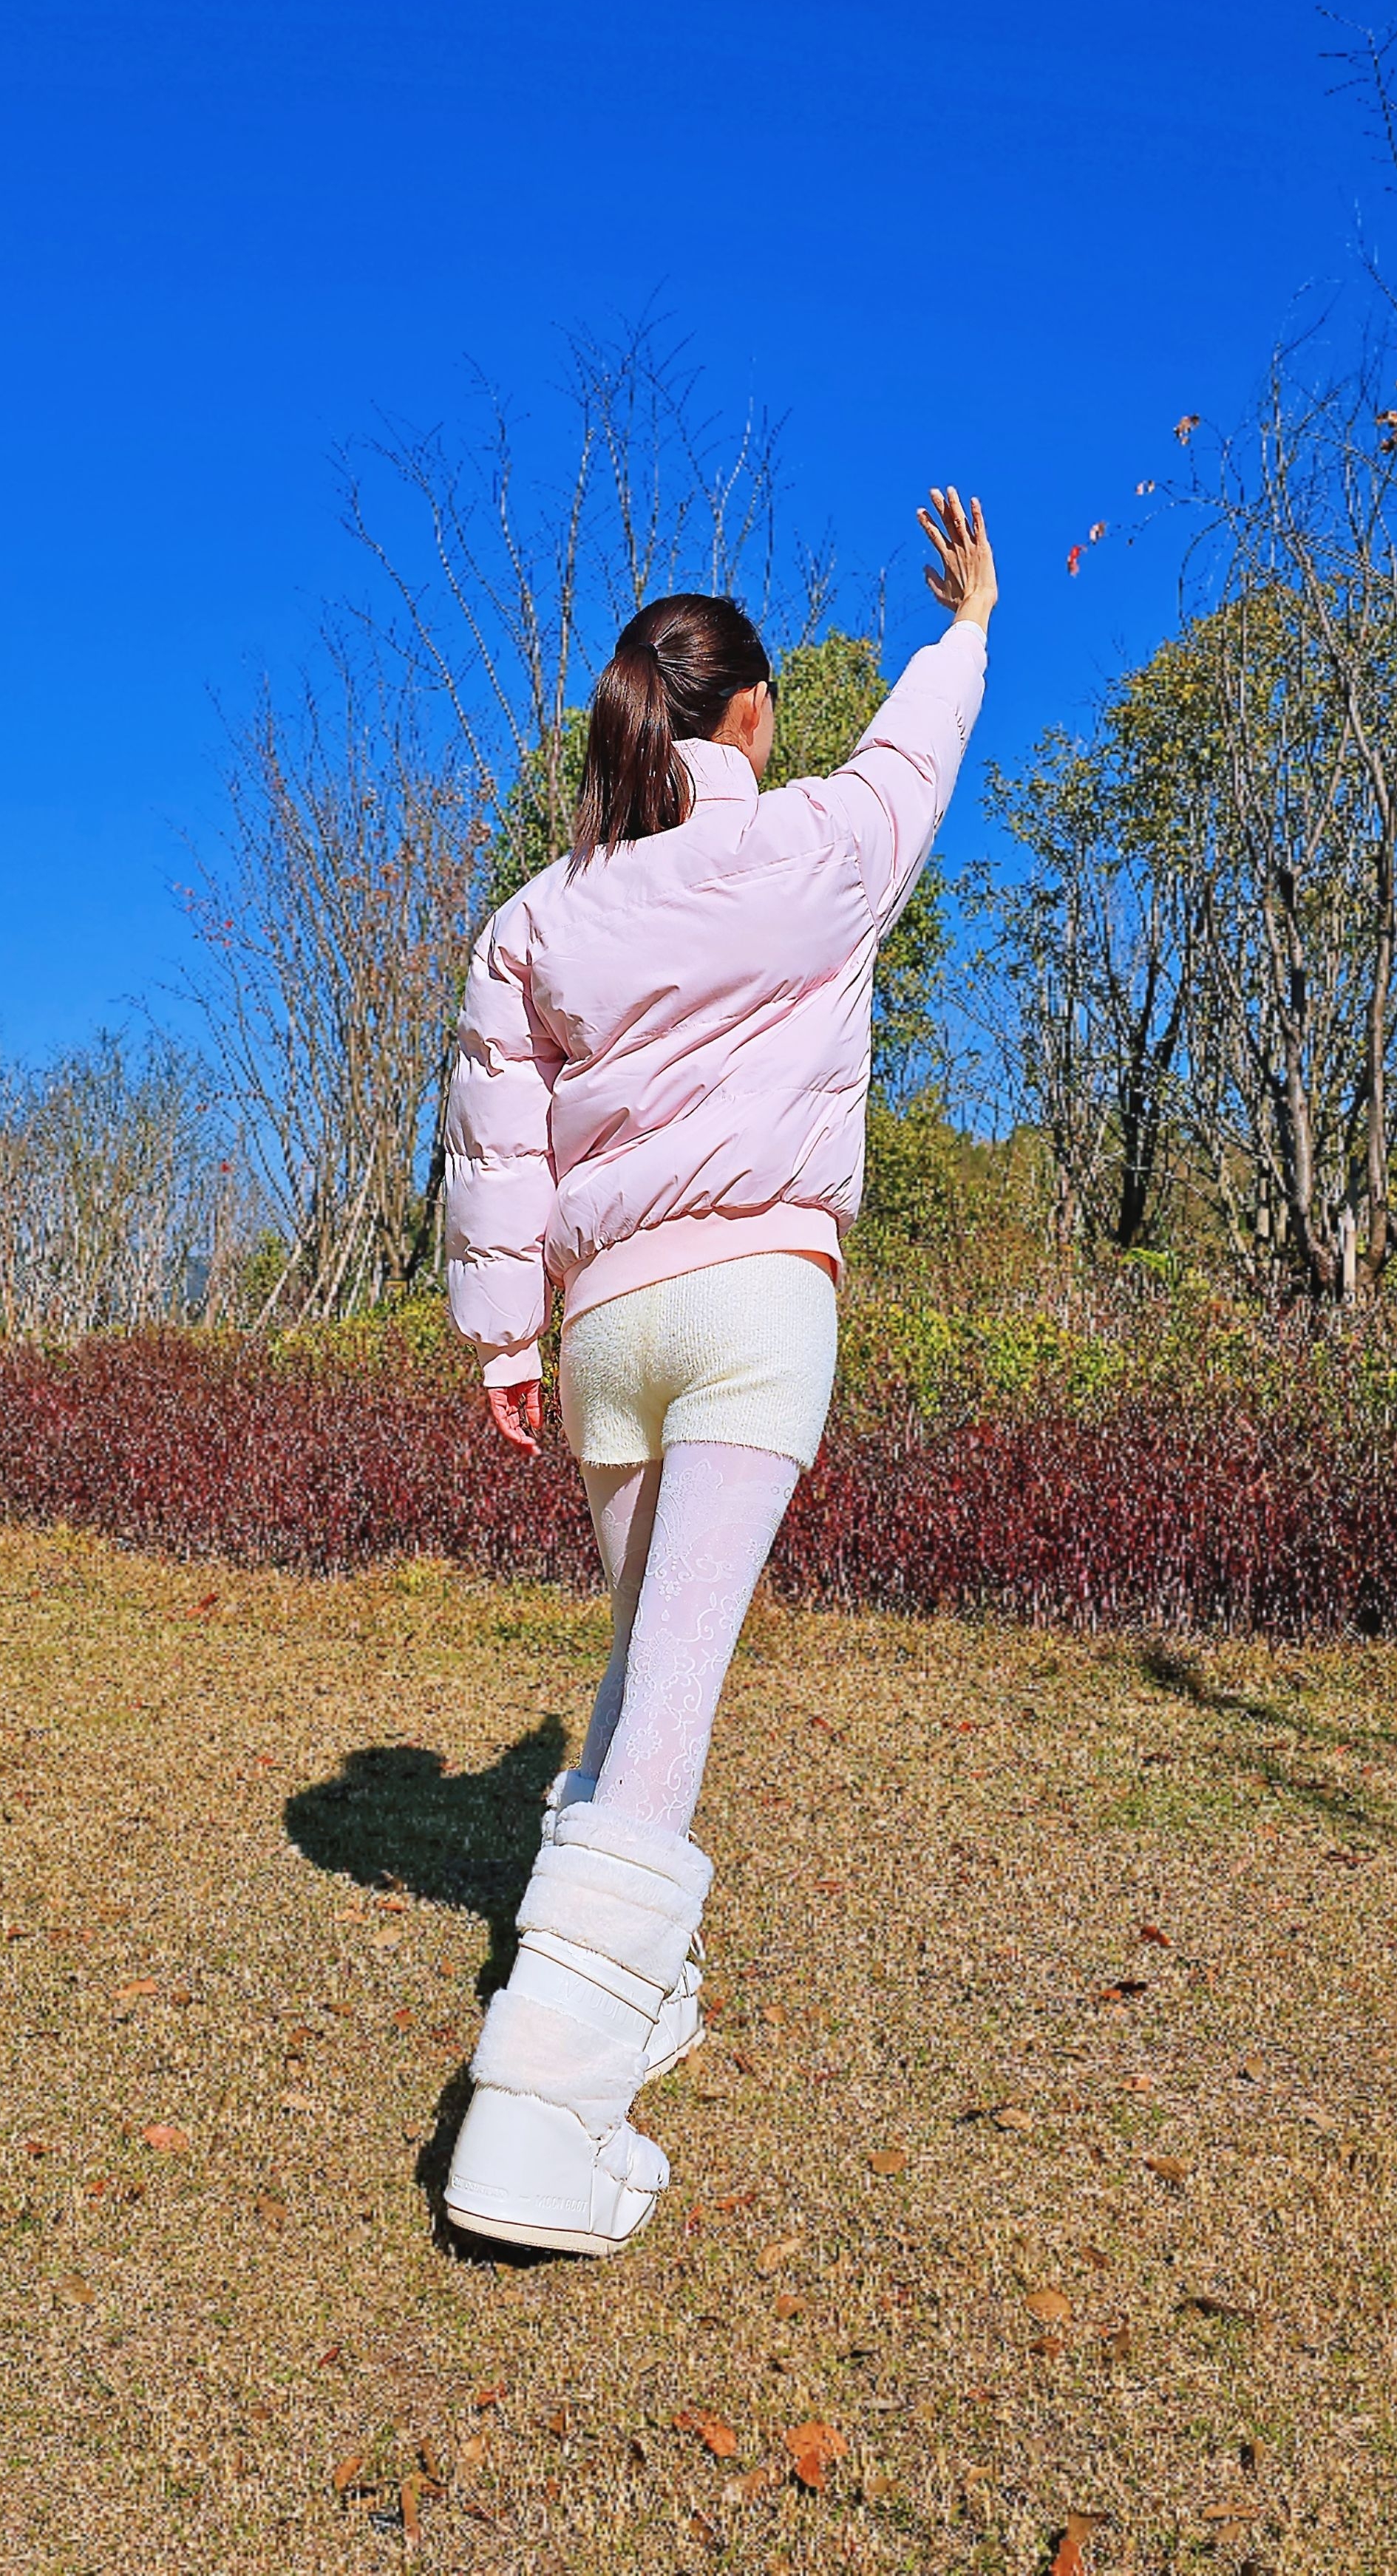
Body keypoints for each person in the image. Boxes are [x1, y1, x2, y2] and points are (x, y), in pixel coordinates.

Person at [438, 486, 997, 2254]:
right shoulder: (818, 844)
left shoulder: (539, 913)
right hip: (756, 1305)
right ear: (748, 713)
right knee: (667, 1702)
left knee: (633, 1673)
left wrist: (502, 1333)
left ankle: (645, 1991)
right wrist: (965, 627)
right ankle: (534, 2115)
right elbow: (914, 755)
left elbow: (493, 1130)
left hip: (605, 1329)